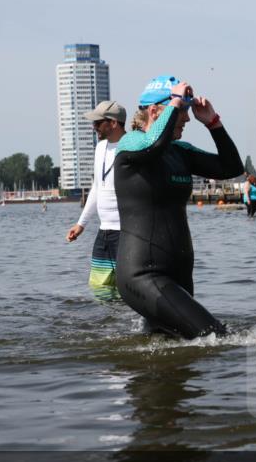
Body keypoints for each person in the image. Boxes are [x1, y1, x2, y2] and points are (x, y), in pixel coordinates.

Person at [113, 75, 244, 338]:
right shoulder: (130, 145)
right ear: (154, 111)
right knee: (216, 337)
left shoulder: (180, 151)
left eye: (185, 111)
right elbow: (153, 144)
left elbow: (231, 168)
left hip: (179, 275)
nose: (186, 118)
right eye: (182, 111)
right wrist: (175, 102)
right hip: (143, 275)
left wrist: (213, 123)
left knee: (170, 354)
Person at [65, 100, 127, 302]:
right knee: (99, 286)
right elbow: (97, 187)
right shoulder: (100, 148)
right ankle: (109, 327)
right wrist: (81, 223)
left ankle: (131, 326)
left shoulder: (131, 146)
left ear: (113, 123)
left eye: (98, 123)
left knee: (126, 287)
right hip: (104, 231)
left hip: (126, 232)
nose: (94, 127)